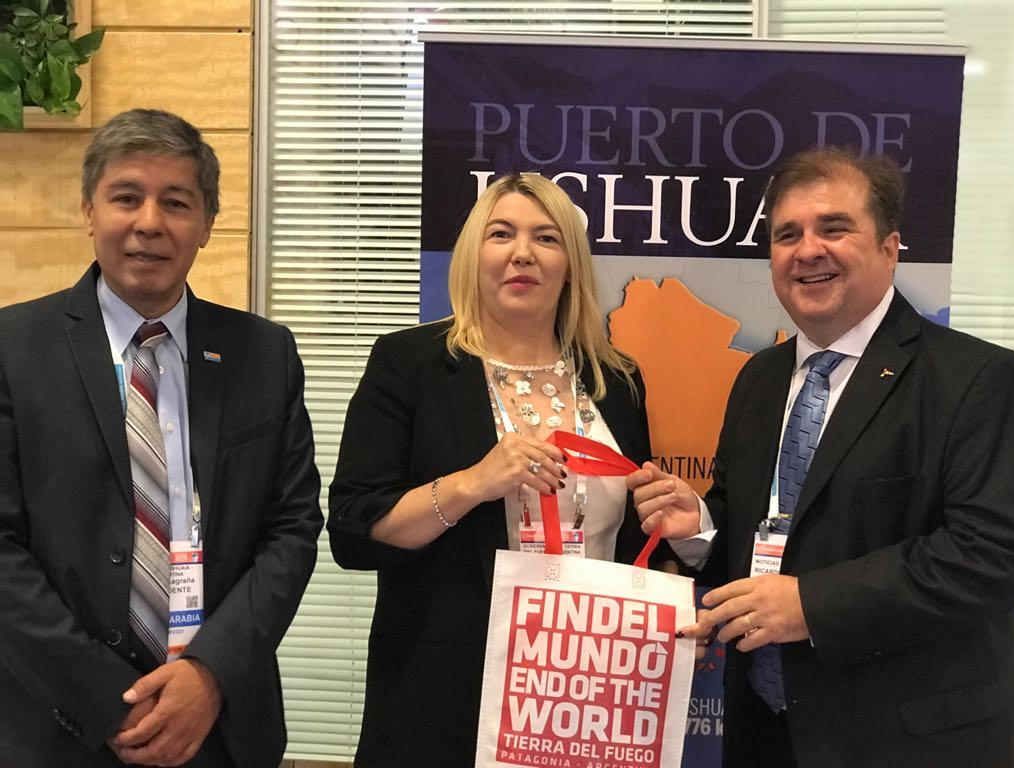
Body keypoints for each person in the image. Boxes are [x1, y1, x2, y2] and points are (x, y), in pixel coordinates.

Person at [628, 147, 1014, 767]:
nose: (807, 250)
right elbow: (762, 524)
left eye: (833, 228)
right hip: (766, 733)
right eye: (787, 235)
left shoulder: (978, 379)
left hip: (908, 743)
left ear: (889, 248)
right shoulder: (759, 379)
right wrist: (700, 527)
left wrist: (811, 606)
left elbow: (994, 555)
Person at [0, 109, 323, 767]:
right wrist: (108, 700)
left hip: (219, 725)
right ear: (89, 210)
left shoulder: (264, 354)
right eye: (126, 197)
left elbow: (291, 530)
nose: (149, 222)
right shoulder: (13, 348)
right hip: (58, 726)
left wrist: (209, 674)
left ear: (206, 224)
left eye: (176, 202)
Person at [328, 173, 656, 767]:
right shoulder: (410, 364)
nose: (522, 253)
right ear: (472, 254)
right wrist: (471, 484)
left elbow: (633, 541)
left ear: (571, 264)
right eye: (501, 234)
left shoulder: (617, 379)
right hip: (445, 700)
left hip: (588, 694)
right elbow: (355, 529)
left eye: (546, 238)